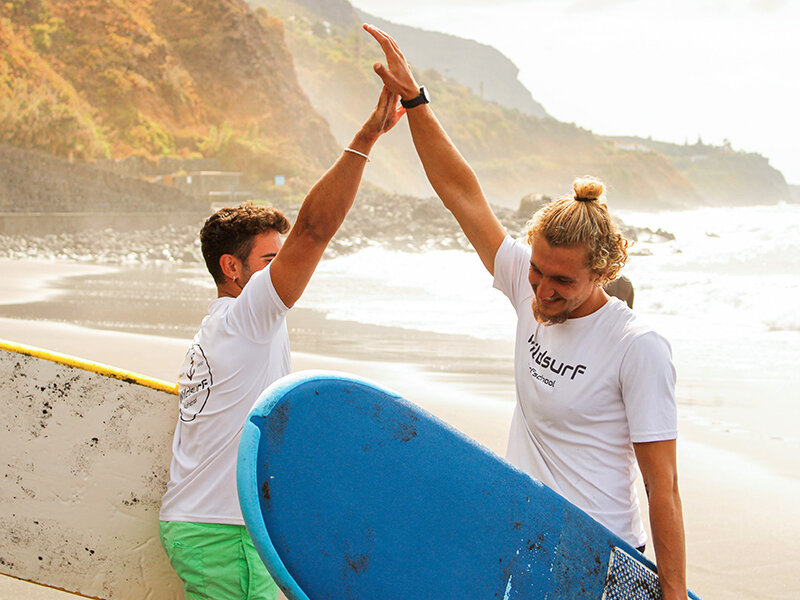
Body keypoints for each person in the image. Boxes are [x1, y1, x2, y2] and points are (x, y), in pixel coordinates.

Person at [363, 24, 688, 599]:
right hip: (526, 544)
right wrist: (415, 101)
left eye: (562, 281)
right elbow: (461, 192)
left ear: (604, 273)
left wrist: (673, 592)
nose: (541, 292)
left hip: (603, 561)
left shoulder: (637, 346)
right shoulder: (524, 284)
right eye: (537, 271)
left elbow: (662, 486)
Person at [158, 85, 403, 600]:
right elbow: (314, 230)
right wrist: (365, 139)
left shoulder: (219, 325)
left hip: (218, 525)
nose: (284, 271)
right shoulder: (248, 318)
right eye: (271, 261)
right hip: (221, 532)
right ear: (232, 268)